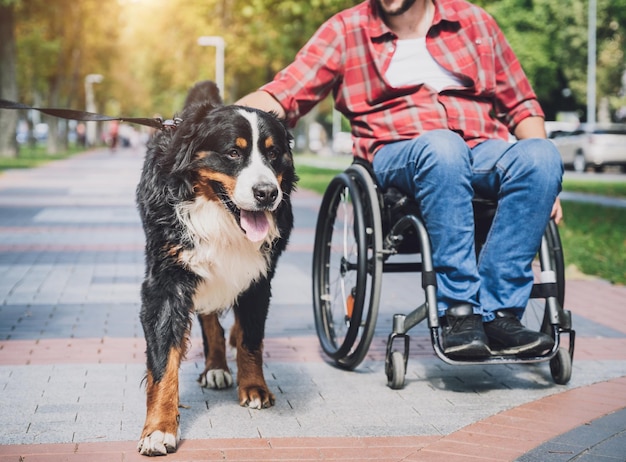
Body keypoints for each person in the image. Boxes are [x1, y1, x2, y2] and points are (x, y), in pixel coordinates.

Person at [236, 0, 563, 358]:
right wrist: (215, 122)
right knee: (443, 148)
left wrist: (543, 185)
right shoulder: (347, 29)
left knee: (542, 156)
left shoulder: (473, 21)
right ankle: (459, 311)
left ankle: (501, 312)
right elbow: (283, 93)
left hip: (483, 147)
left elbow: (522, 104)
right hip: (399, 152)